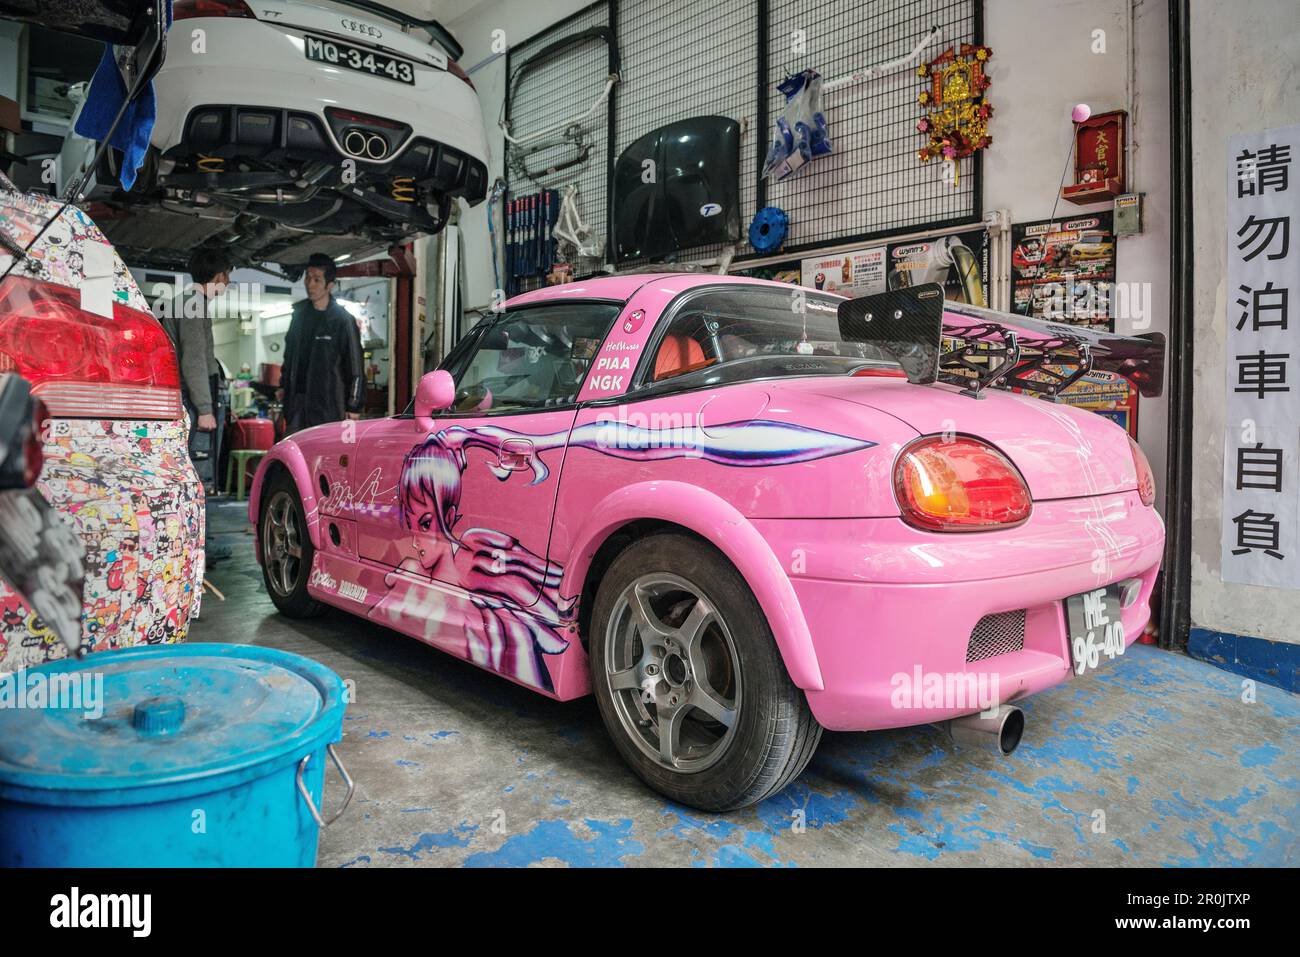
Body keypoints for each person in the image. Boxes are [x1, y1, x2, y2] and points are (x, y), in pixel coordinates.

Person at [158, 247, 232, 561]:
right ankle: (199, 545)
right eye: (227, 279)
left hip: (186, 397)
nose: (226, 285)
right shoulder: (193, 305)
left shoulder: (185, 302)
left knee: (190, 471)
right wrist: (204, 409)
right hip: (193, 400)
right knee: (199, 473)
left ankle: (192, 541)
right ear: (220, 277)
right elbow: (195, 362)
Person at [279, 253, 365, 434]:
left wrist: (354, 405)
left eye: (317, 280)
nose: (310, 284)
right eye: (308, 278)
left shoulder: (343, 320)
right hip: (296, 405)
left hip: (328, 405)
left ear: (330, 285)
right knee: (293, 454)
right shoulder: (299, 315)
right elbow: (289, 357)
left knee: (325, 456)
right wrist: (283, 386)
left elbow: (355, 365)